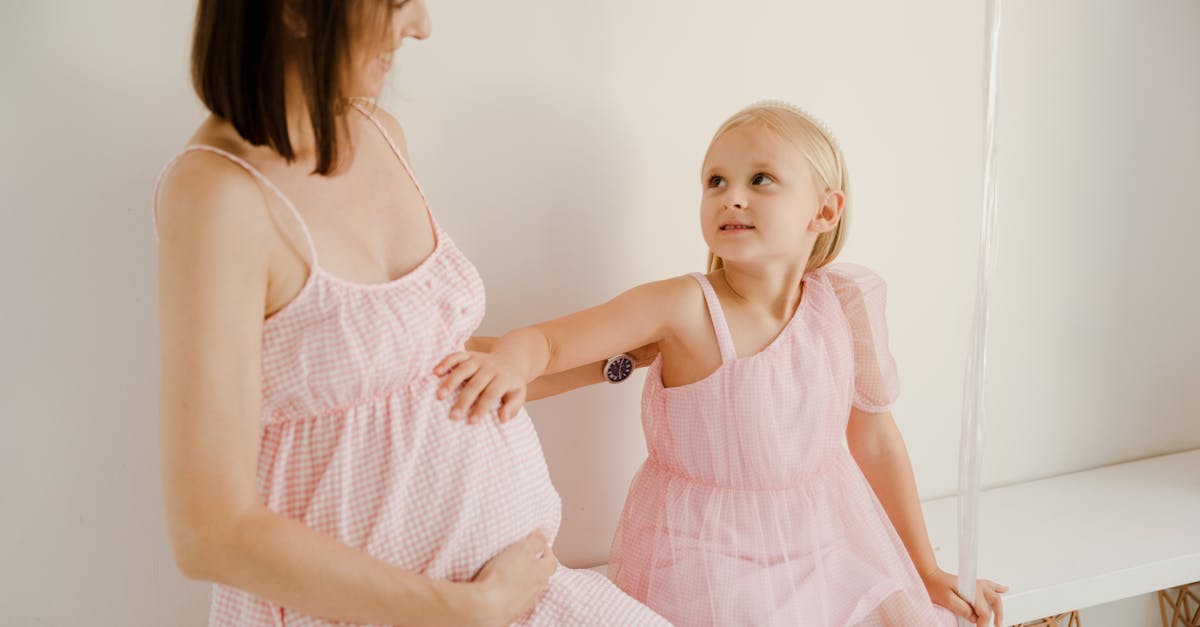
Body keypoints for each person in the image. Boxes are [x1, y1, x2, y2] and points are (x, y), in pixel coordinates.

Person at [154, 1, 669, 624]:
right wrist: (459, 610)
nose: (421, 25)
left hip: (525, 594)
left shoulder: (379, 132)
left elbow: (415, 374)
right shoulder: (219, 196)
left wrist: (614, 360)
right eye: (397, 2)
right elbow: (211, 531)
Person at [435, 101, 1009, 626]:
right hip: (702, 554)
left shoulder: (844, 304)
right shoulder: (683, 306)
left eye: (761, 179)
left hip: (820, 542)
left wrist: (926, 570)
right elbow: (550, 345)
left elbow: (877, 440)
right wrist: (510, 361)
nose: (731, 195)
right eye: (715, 181)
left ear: (825, 210)